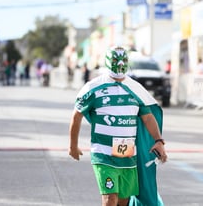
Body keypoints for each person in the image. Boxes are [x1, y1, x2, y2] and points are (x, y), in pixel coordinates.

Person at [69, 46, 167, 206]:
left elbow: (148, 117)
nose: (120, 64)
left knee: (123, 201)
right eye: (115, 60)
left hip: (128, 156)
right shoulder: (93, 87)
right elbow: (77, 115)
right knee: (110, 198)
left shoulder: (135, 89)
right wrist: (73, 146)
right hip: (103, 155)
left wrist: (159, 141)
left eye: (123, 60)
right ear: (108, 62)